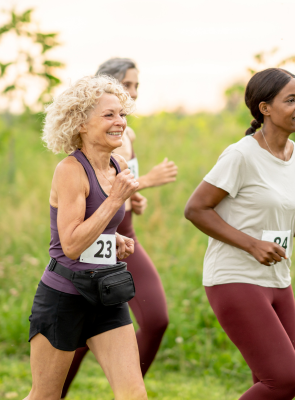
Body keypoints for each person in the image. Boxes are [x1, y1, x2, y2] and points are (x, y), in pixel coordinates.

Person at [184, 68, 295, 400]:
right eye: (291, 100)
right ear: (264, 108)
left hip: (279, 281)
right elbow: (196, 209)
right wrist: (252, 245)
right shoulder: (241, 155)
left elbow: (286, 220)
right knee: (283, 380)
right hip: (235, 279)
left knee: (271, 386)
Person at [24, 75, 147, 400]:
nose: (120, 122)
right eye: (109, 115)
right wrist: (114, 201)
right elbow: (73, 244)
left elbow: (94, 227)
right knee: (45, 396)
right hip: (64, 297)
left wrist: (113, 237)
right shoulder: (70, 170)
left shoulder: (117, 165)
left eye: (122, 114)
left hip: (106, 294)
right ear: (80, 123)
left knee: (134, 395)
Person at [61, 58, 177, 399]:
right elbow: (94, 193)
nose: (133, 94)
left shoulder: (129, 135)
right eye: (127, 86)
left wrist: (135, 199)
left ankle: (127, 385)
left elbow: (122, 187)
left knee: (155, 320)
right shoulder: (92, 140)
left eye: (136, 87)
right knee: (82, 332)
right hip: (93, 242)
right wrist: (148, 181)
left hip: (126, 236)